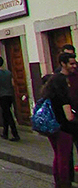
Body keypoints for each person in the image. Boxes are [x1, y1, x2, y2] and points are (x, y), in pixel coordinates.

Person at [45, 51, 78, 188]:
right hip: (63, 126)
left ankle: (59, 183)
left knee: (58, 156)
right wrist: (72, 117)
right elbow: (67, 109)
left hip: (53, 125)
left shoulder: (52, 79)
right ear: (63, 64)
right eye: (71, 63)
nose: (74, 66)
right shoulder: (61, 81)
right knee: (64, 157)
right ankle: (64, 184)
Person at [0, 56, 20, 141]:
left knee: (8, 114)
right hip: (9, 94)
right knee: (5, 113)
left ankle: (15, 134)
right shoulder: (8, 72)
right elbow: (13, 84)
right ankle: (5, 132)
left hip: (2, 94)